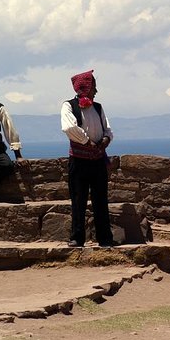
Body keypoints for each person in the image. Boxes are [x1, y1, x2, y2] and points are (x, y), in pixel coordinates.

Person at [60, 69, 115, 247]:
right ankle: (77, 237)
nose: (96, 91)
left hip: (98, 159)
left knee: (101, 199)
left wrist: (105, 139)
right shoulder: (68, 106)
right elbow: (69, 128)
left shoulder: (98, 107)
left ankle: (105, 238)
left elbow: (107, 128)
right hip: (79, 160)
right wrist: (87, 142)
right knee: (78, 199)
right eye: (93, 87)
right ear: (84, 88)